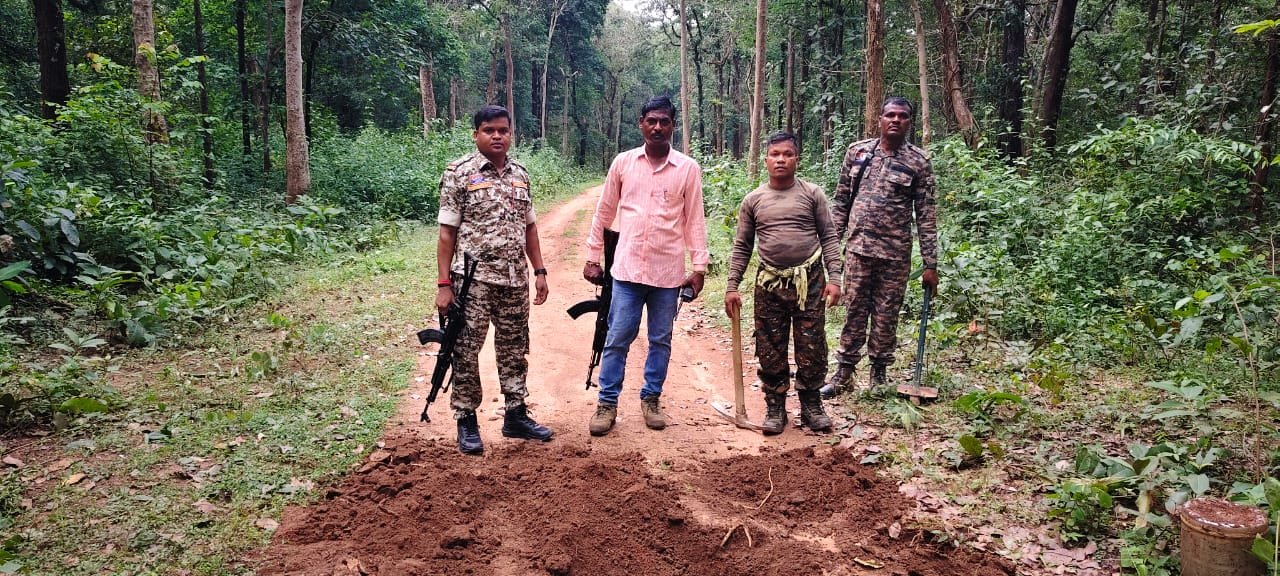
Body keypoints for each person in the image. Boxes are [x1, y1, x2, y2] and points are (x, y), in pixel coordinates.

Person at [582, 95, 709, 436]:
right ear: (641, 124)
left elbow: (694, 219)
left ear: (672, 126)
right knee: (617, 338)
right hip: (626, 271)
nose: (657, 127)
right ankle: (606, 404)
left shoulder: (688, 169)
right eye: (651, 121)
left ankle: (651, 399)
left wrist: (699, 268)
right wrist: (593, 257)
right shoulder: (623, 163)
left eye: (664, 121)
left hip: (667, 274)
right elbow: (604, 212)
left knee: (660, 340)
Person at [435, 104, 554, 455]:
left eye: (503, 130)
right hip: (473, 282)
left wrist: (540, 270)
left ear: (510, 133)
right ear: (476, 135)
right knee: (466, 349)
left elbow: (530, 227)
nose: (497, 136)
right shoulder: (459, 173)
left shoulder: (521, 174)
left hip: (514, 280)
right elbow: (446, 235)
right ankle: (466, 419)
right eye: (489, 130)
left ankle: (515, 414)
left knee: (514, 349)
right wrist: (444, 285)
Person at [724, 132, 843, 435]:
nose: (780, 159)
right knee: (770, 345)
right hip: (769, 282)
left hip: (810, 281)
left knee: (812, 344)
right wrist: (732, 286)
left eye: (787, 154)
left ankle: (811, 405)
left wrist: (835, 279)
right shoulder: (753, 200)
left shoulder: (812, 194)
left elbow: (829, 236)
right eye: (775, 154)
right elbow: (742, 246)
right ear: (765, 160)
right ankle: (775, 407)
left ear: (796, 159)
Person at [821, 96, 939, 398]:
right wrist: (831, 247)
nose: (895, 120)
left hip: (895, 257)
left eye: (902, 116)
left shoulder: (918, 162)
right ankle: (843, 374)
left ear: (909, 123)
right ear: (880, 120)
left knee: (886, 317)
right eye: (890, 115)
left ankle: (878, 374)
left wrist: (930, 264)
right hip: (858, 251)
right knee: (854, 312)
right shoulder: (858, 153)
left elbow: (926, 214)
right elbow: (841, 203)